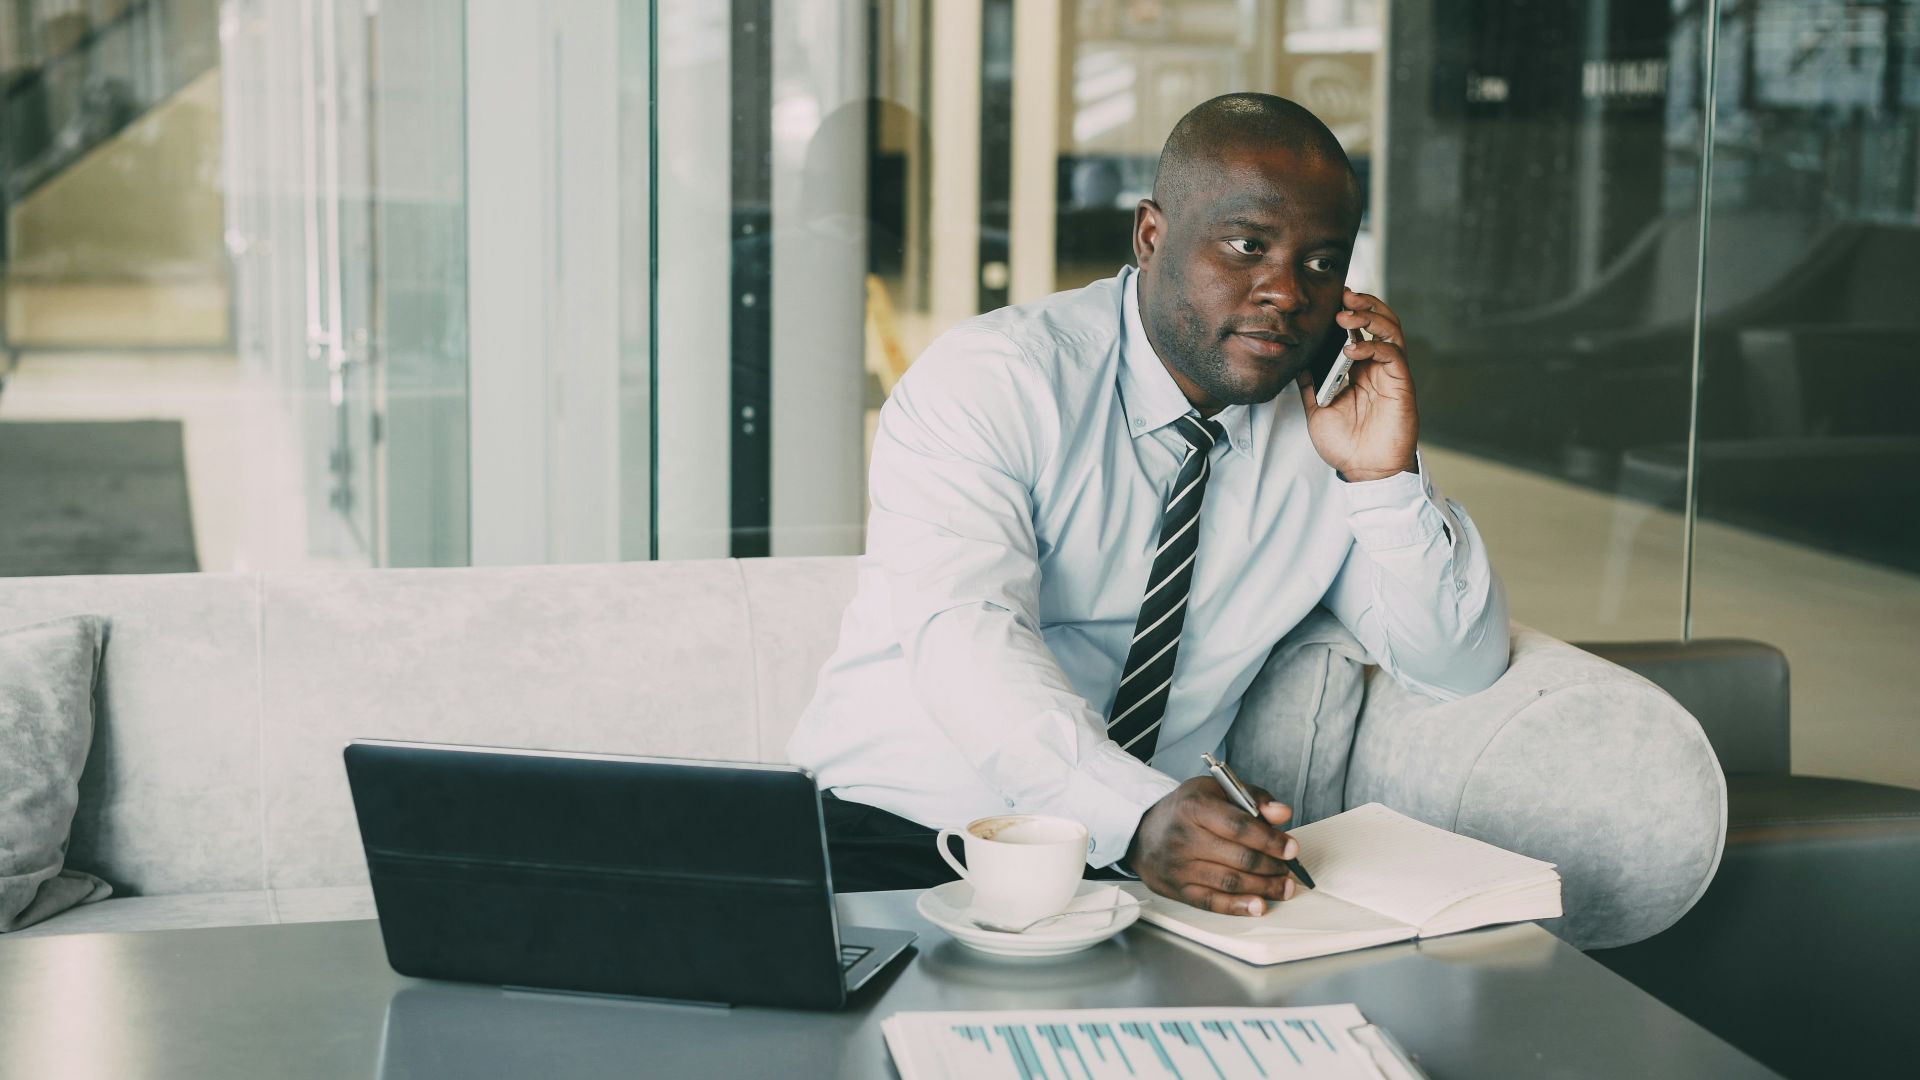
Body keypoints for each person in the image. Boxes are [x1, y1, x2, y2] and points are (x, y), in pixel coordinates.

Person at [788, 93, 1509, 917]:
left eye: (1321, 262)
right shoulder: (996, 380)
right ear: (1151, 235)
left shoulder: (1328, 427)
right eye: (1248, 245)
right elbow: (967, 632)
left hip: (1145, 871)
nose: (1285, 292)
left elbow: (1458, 665)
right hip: (905, 835)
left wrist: (1385, 482)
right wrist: (1128, 811)